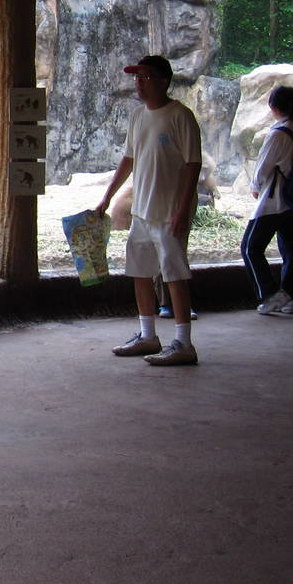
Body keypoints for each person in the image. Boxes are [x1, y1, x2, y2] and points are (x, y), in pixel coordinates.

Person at [95, 54, 203, 365]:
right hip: (141, 210)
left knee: (174, 274)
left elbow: (192, 164)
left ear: (163, 81)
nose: (138, 83)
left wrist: (183, 210)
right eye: (136, 77)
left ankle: (183, 343)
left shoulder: (180, 116)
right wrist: (107, 197)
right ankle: (148, 335)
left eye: (145, 77)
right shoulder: (137, 117)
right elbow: (128, 159)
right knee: (139, 272)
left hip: (169, 210)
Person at [242, 85, 293, 316]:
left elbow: (263, 167)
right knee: (290, 251)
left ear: (273, 107)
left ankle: (269, 295)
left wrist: (255, 186)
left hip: (273, 201)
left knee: (250, 248)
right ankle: (291, 298)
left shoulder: (278, 133)